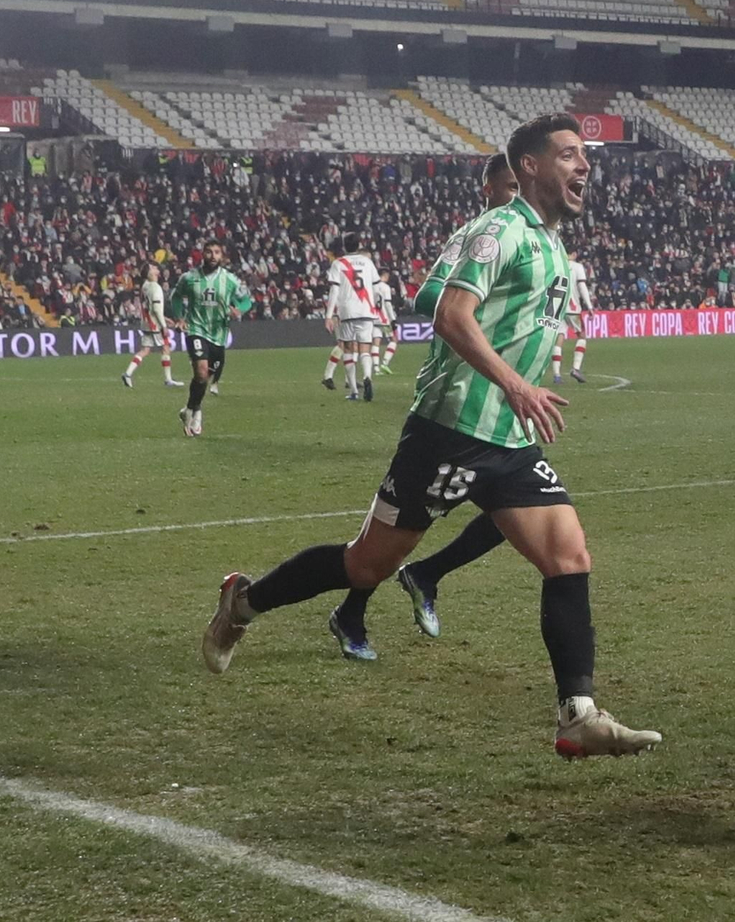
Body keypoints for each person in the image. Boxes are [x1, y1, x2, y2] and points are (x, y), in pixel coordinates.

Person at [200, 115, 661, 758]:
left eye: (586, 155)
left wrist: (516, 396)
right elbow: (447, 312)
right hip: (450, 430)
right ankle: (243, 605)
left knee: (569, 558)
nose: (584, 165)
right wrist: (515, 383)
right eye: (568, 154)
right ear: (528, 165)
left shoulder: (552, 242)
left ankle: (577, 713)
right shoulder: (497, 230)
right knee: (367, 564)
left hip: (508, 438)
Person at [330, 152, 518, 658]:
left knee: (519, 515)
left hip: (501, 409)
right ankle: (351, 610)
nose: (519, 196)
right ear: (489, 188)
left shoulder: (538, 237)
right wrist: (468, 314)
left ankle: (426, 575)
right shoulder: (479, 236)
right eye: (510, 186)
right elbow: (428, 296)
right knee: (401, 533)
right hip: (453, 403)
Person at [169, 241, 252, 437]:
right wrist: (180, 317)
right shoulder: (189, 278)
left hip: (219, 335)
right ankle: (194, 412)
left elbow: (246, 300)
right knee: (201, 371)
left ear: (222, 256)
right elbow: (176, 297)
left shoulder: (230, 280)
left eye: (217, 252)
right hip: (196, 329)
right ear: (202, 254)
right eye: (209, 252)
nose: (213, 255)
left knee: (205, 377)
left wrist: (239, 310)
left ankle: (191, 410)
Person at [324, 232, 382, 402]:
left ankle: (355, 391)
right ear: (359, 245)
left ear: (344, 245)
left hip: (347, 311)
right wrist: (376, 305)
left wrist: (329, 315)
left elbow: (334, 290)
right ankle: (368, 377)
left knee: (348, 349)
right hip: (366, 310)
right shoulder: (367, 262)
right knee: (365, 347)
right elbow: (377, 288)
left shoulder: (338, 264)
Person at [121, 262, 182, 388]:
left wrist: (165, 319)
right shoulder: (155, 287)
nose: (157, 270)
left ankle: (128, 374)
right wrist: (164, 325)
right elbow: (156, 309)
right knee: (165, 348)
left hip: (146, 323)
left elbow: (150, 308)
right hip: (155, 325)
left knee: (145, 350)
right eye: (153, 268)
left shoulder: (145, 286)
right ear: (148, 272)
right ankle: (168, 379)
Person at [551, 250, 593, 384]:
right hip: (572, 307)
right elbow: (582, 287)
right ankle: (576, 368)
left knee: (559, 339)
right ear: (574, 254)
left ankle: (557, 375)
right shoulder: (577, 267)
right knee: (582, 335)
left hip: (557, 307)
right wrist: (589, 306)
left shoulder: (556, 264)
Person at [372, 276, 398, 375]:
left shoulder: (371, 286)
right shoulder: (385, 287)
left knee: (376, 342)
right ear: (385, 275)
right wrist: (393, 319)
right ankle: (385, 363)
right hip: (383, 319)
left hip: (372, 318)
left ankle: (376, 369)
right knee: (393, 339)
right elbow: (387, 304)